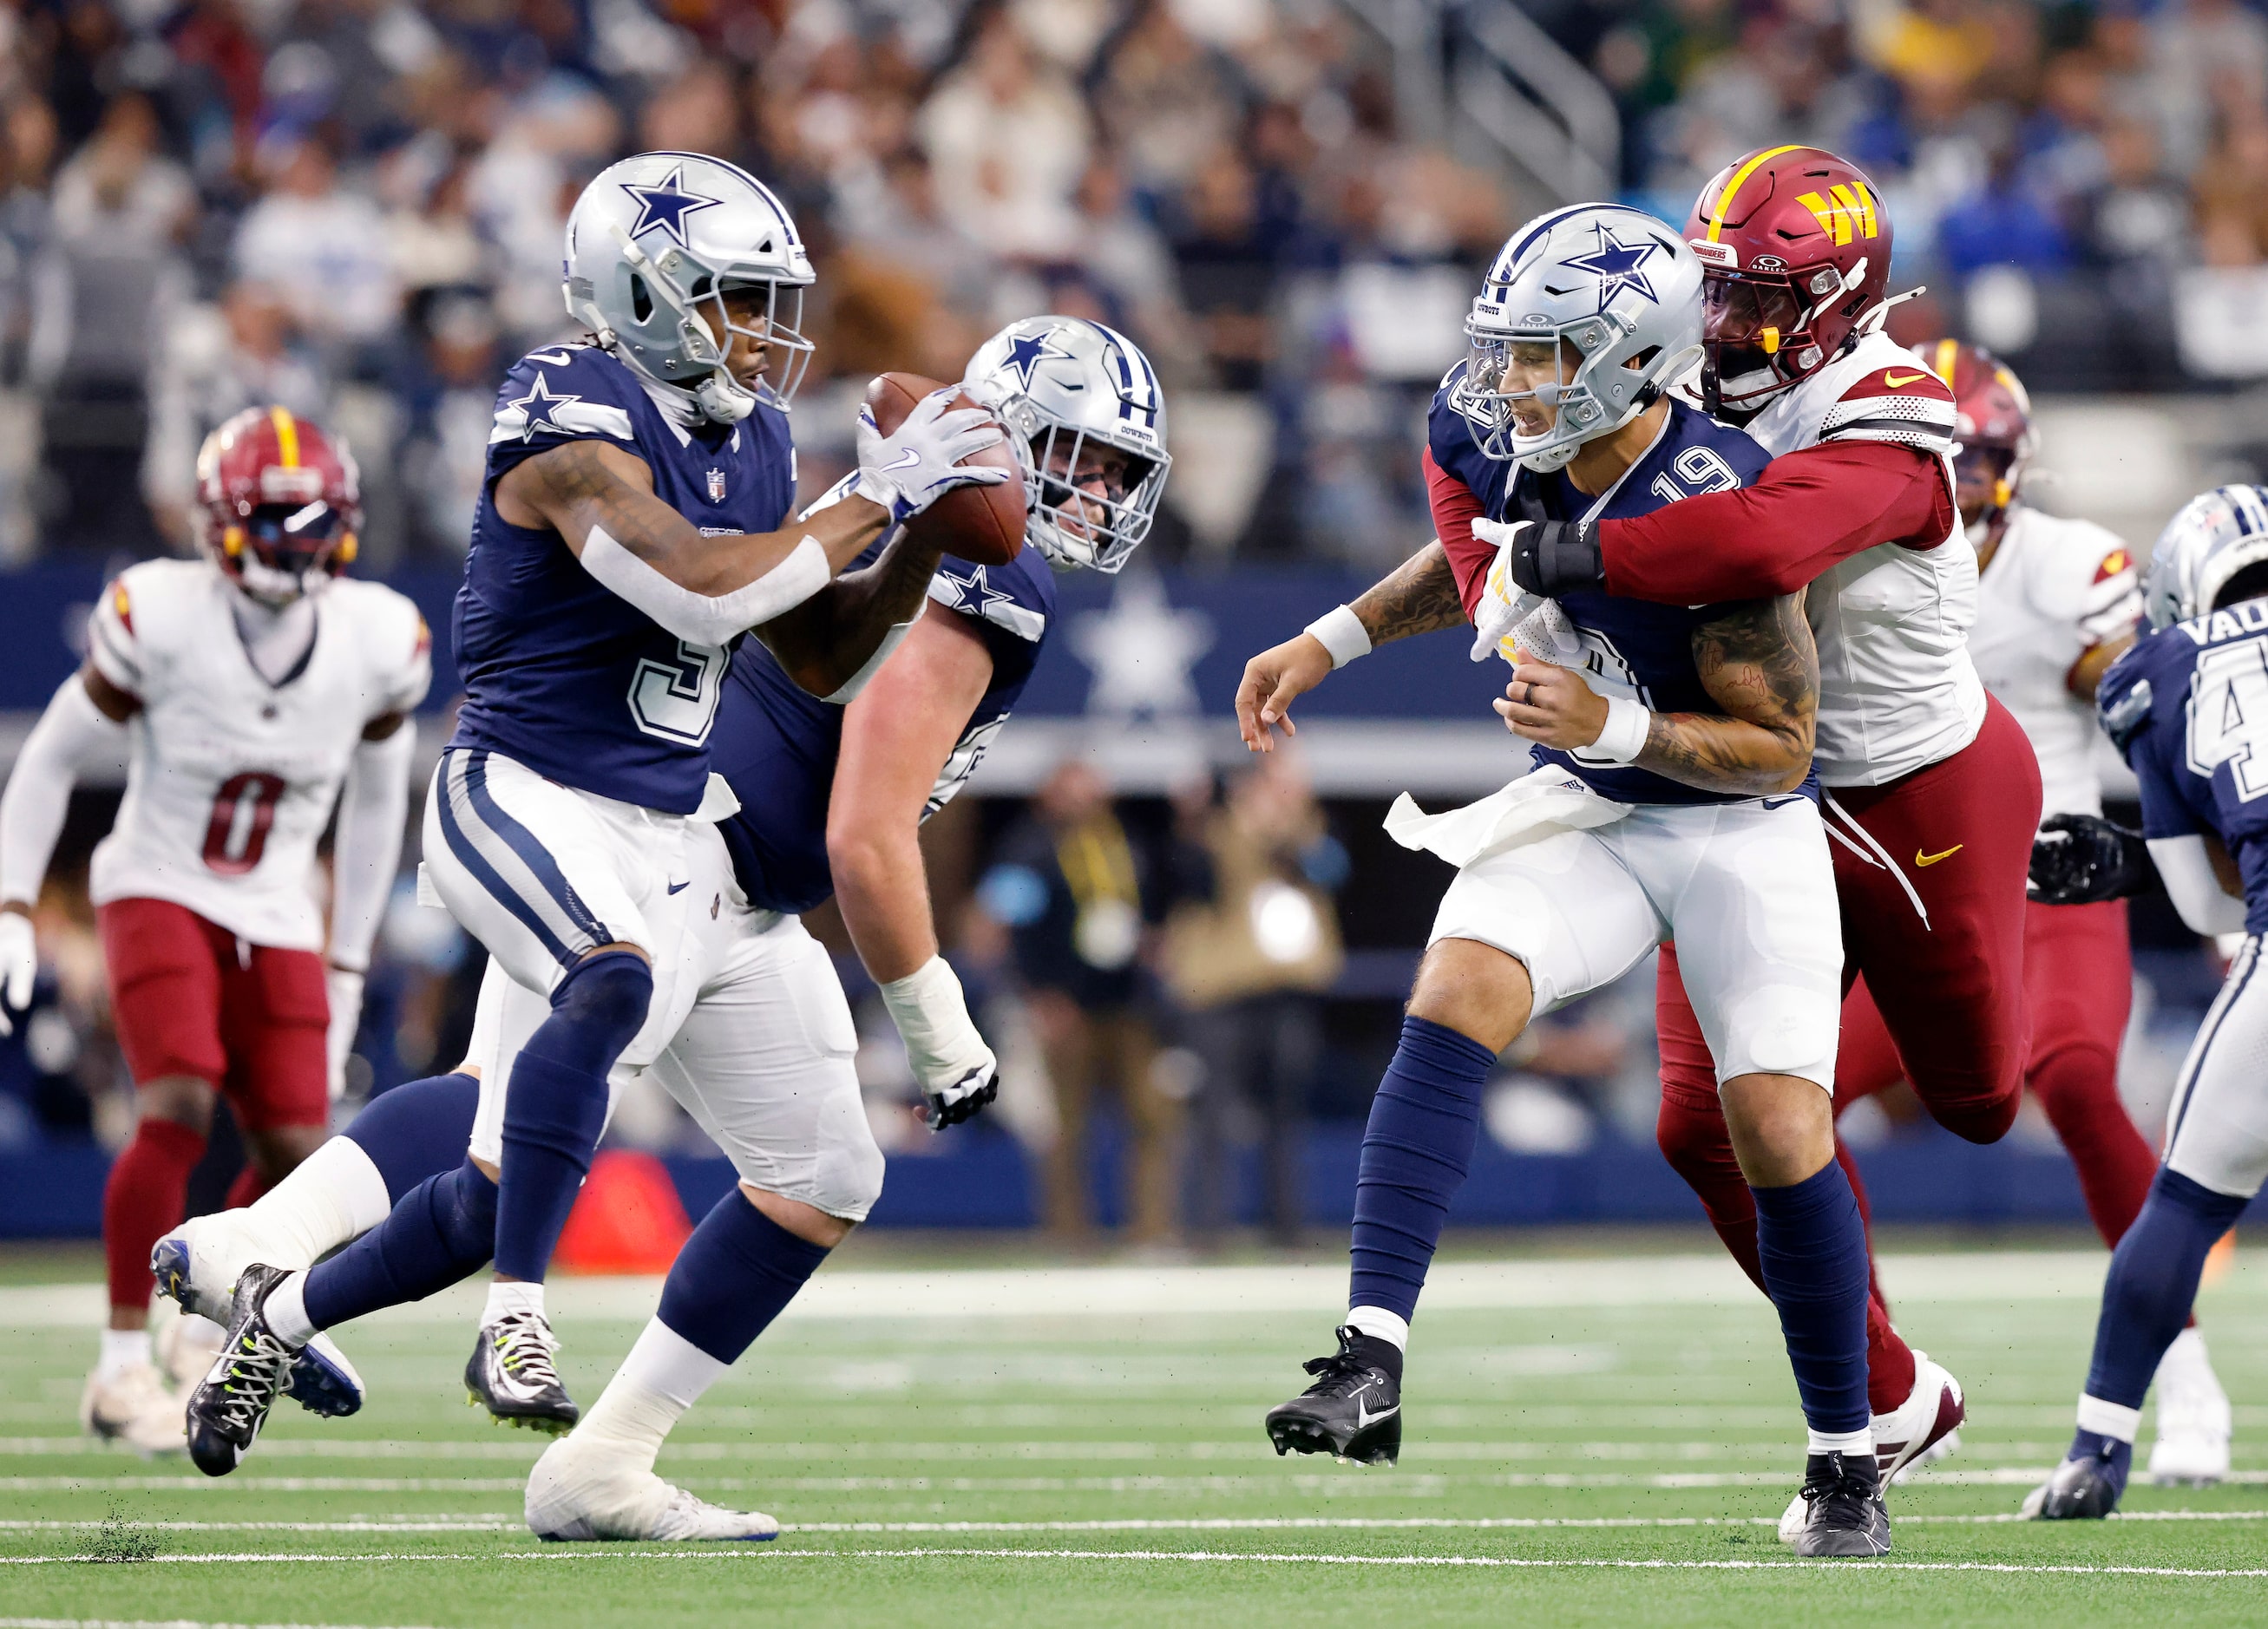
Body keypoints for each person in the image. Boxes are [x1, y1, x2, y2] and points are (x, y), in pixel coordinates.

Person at [159, 318, 1170, 1541]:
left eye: (1118, 468)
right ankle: (272, 1298)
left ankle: (581, 1449)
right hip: (673, 857)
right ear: (1006, 432)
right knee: (497, 1166)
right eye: (1083, 455)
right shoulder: (988, 563)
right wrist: (938, 1025)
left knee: (814, 1172)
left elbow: (826, 668)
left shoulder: (951, 533)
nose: (1103, 489)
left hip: (732, 883)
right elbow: (865, 830)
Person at [1239, 205, 1886, 1557]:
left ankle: (1843, 1458)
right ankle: (1369, 1354)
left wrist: (1615, 728)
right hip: (1592, 808)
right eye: (1507, 351)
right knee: (1458, 981)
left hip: (1734, 824)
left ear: (1634, 358)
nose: (1508, 382)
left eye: (1540, 356)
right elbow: (1482, 557)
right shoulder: (1510, 433)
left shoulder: (1716, 503)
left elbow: (1778, 741)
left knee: (1775, 1128)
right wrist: (1330, 636)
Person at [1488, 147, 2043, 1502]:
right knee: (1703, 1120)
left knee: (1975, 1103)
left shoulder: (1894, 409)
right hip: (1745, 783)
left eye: (1757, 300)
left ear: (1838, 300)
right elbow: (1484, 449)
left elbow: (1754, 544)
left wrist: (1577, 555)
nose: (1725, 324)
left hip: (1921, 791)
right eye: (1716, 290)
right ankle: (1887, 1391)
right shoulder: (1669, 361)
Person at [1838, 341, 2231, 1484]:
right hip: (1912, 873)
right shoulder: (1843, 551)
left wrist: (2173, 845)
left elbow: (2158, 716)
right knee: (1786, 1097)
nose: (1957, 485)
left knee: (2067, 1071)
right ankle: (1884, 1379)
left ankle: (2181, 1369)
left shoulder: (2066, 567)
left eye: (1976, 461)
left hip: (2047, 866)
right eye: (1939, 459)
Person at [0, 406, 426, 1455]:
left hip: (278, 903)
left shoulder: (377, 637)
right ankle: (116, 1367)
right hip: (157, 879)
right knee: (179, 1101)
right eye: (274, 520)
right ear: (218, 524)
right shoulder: (160, 611)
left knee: (297, 1147)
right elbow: (50, 757)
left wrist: (345, 961)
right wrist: (13, 904)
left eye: (312, 519)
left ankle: (207, 1323)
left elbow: (376, 809)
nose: (295, 541)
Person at [2021, 486, 2268, 1519]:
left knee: (2183, 1202)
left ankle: (2098, 1451)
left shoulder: (2160, 674)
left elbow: (2203, 900)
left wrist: (2123, 862)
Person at [982, 758, 1181, 1249]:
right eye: (1072, 789)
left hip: (1128, 1004)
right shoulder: (1030, 848)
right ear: (1050, 793)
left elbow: (1144, 910)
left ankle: (1152, 1231)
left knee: (1151, 1116)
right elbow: (1006, 927)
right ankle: (1069, 1234)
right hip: (1065, 1006)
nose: (1084, 799)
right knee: (1068, 1127)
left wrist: (1152, 945)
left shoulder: (1123, 843)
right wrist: (1038, 994)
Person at [1164, 753, 1344, 1246]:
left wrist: (1287, 829)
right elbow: (1193, 881)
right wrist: (1200, 820)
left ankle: (1286, 1228)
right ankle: (1207, 1229)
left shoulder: (1308, 829)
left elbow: (1330, 871)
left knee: (1285, 1112)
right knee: (1213, 1109)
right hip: (1223, 989)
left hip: (1286, 987)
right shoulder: (1213, 831)